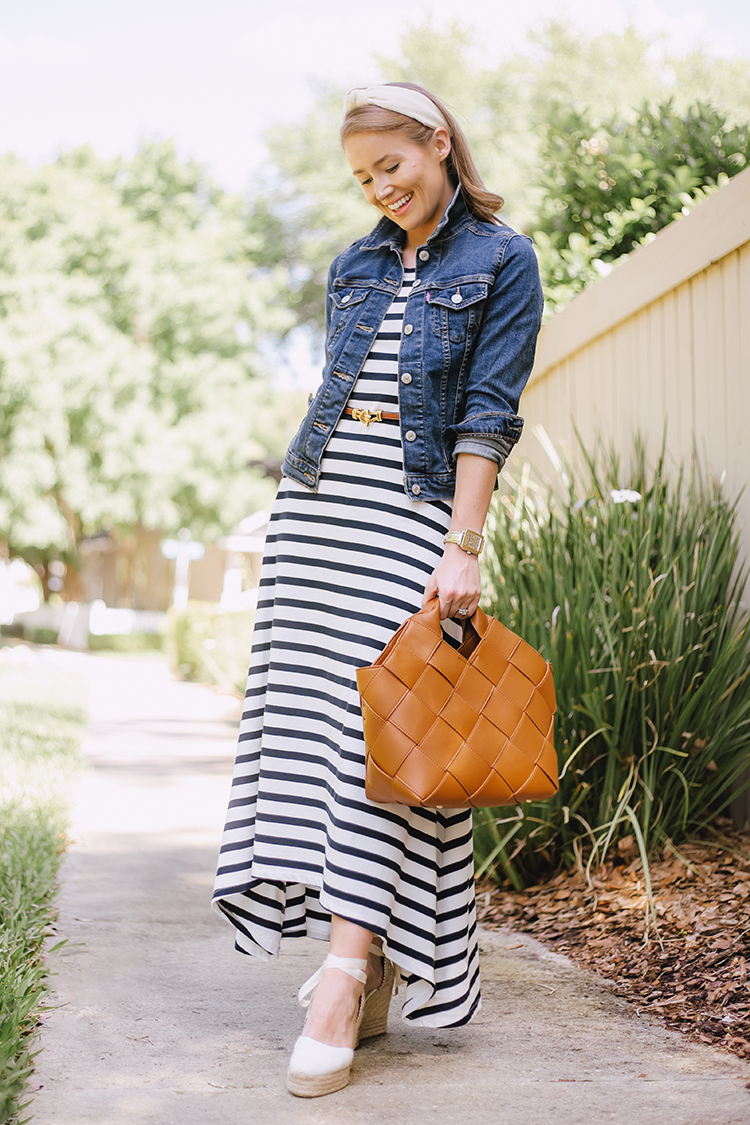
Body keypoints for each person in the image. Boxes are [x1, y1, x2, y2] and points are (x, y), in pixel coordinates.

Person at [212, 81, 543, 1098]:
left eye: (391, 166)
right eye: (362, 176)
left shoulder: (505, 259)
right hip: (317, 510)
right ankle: (362, 955)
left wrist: (464, 545)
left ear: (439, 143)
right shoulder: (353, 261)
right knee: (323, 731)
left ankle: (346, 974)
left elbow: (486, 413)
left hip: (412, 509)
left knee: (383, 738)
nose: (379, 188)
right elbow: (338, 387)